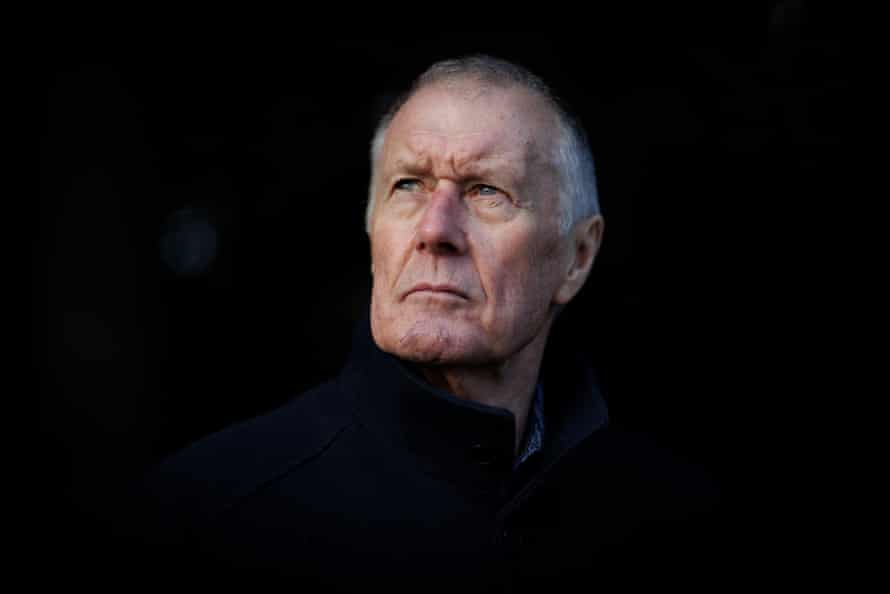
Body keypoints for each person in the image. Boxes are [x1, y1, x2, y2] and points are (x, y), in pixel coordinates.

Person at [119, 55, 722, 592]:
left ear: (577, 257)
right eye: (408, 185)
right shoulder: (202, 515)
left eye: (488, 191)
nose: (435, 230)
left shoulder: (677, 520)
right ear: (371, 226)